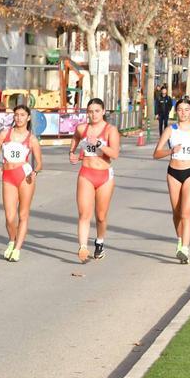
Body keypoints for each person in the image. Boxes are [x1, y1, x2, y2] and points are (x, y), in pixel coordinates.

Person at [153, 96, 190, 264]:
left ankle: (185, 249)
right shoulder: (170, 130)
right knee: (177, 212)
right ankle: (180, 240)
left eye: (187, 109)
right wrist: (170, 151)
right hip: (173, 172)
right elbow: (156, 153)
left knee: (186, 212)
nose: (183, 113)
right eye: (180, 109)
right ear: (176, 111)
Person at [68, 98, 120, 262]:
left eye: (97, 111)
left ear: (103, 112)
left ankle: (99, 242)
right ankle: (83, 247)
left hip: (104, 175)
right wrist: (72, 152)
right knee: (84, 214)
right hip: (86, 173)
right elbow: (76, 138)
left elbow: (115, 154)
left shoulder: (110, 130)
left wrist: (98, 143)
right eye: (90, 111)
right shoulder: (82, 128)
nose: (93, 114)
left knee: (101, 216)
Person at [0, 104, 43, 262]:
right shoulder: (5, 134)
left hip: (24, 176)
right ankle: (12, 240)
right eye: (16, 114)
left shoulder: (31, 139)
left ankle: (17, 249)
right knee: (9, 217)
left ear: (28, 117)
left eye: (22, 115)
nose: (19, 118)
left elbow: (39, 163)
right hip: (8, 176)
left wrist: (35, 172)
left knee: (23, 215)